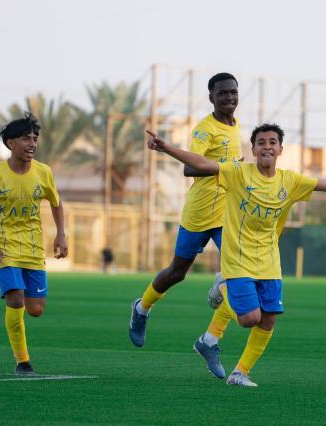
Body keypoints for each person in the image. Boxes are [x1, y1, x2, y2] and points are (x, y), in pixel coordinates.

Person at [146, 123, 326, 386]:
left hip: (269, 261)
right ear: (253, 149)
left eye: (272, 142)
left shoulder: (290, 181)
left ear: (280, 149)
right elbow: (202, 163)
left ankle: (240, 373)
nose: (267, 147)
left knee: (268, 320)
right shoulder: (237, 173)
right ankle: (222, 287)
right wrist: (166, 148)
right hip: (238, 259)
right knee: (249, 319)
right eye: (261, 143)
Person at [128, 72, 242, 369]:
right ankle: (142, 307)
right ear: (211, 97)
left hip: (226, 213)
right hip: (199, 212)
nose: (229, 97)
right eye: (222, 93)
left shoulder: (236, 125)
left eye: (233, 92)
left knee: (240, 272)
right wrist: (226, 167)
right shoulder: (205, 129)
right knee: (177, 272)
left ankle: (210, 339)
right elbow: (189, 169)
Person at [0, 112, 68, 375]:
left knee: (35, 310)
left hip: (33, 248)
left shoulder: (44, 172)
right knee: (15, 300)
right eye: (26, 138)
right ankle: (23, 361)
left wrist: (61, 234)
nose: (32, 143)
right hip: (4, 249)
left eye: (34, 138)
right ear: (11, 143)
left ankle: (15, 288)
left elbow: (56, 203)